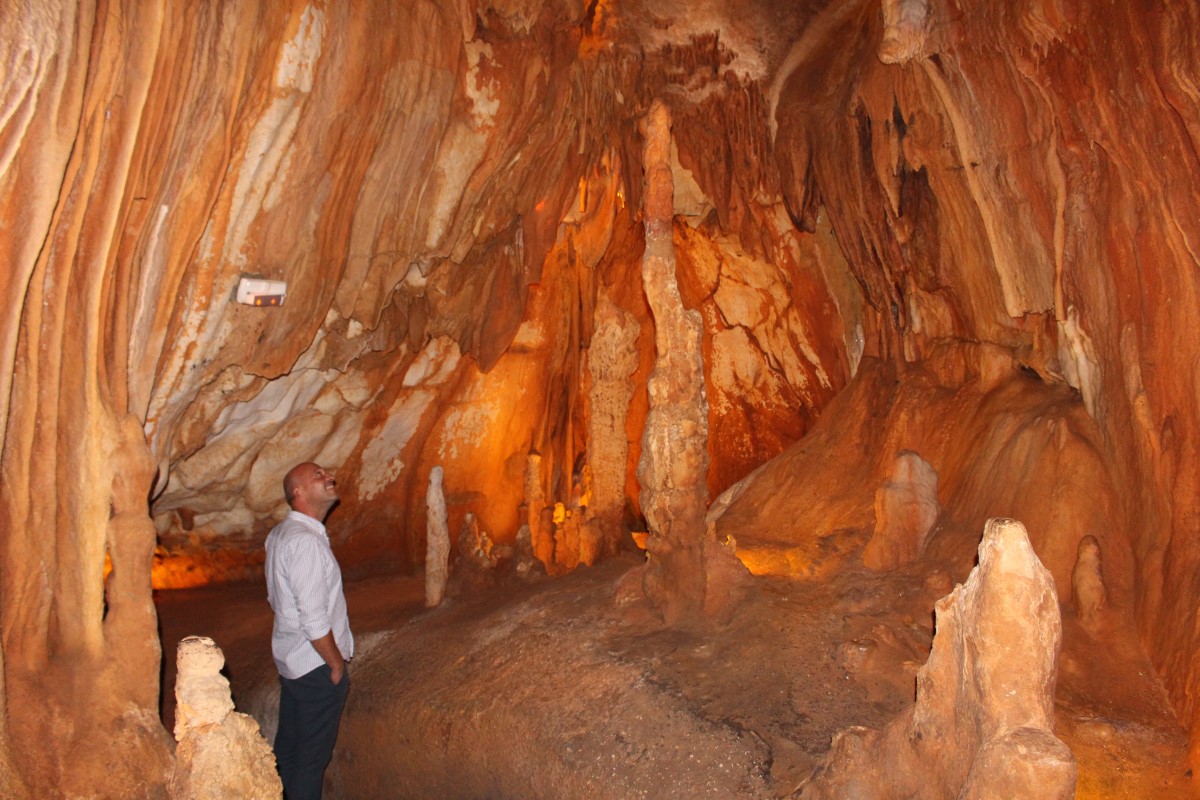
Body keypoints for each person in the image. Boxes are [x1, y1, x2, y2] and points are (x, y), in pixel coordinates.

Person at [265, 462, 355, 800]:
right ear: (298, 493)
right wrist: (334, 664)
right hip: (315, 667)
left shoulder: (281, 535)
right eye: (317, 475)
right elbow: (314, 618)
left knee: (288, 751)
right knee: (310, 761)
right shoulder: (305, 543)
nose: (329, 477)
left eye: (327, 474)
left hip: (293, 664)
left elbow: (275, 598)